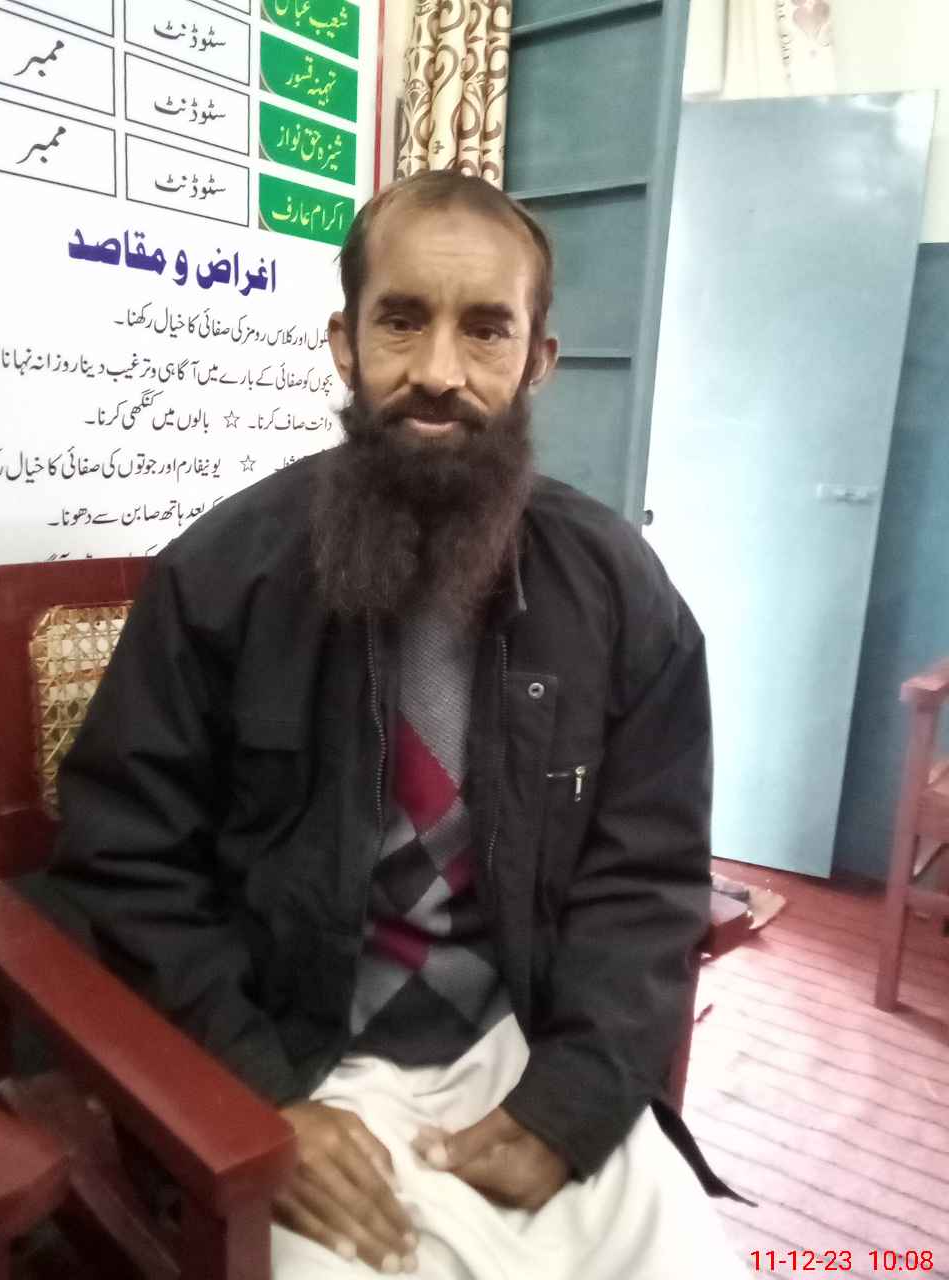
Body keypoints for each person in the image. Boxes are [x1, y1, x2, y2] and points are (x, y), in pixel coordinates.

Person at [51, 172, 746, 1278]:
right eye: (402, 320)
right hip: (293, 1053)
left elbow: (649, 873)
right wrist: (257, 1094)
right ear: (346, 342)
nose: (438, 372)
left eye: (486, 330)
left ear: (537, 361)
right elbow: (128, 863)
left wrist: (572, 1102)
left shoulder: (620, 591)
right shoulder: (220, 576)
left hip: (527, 1042)